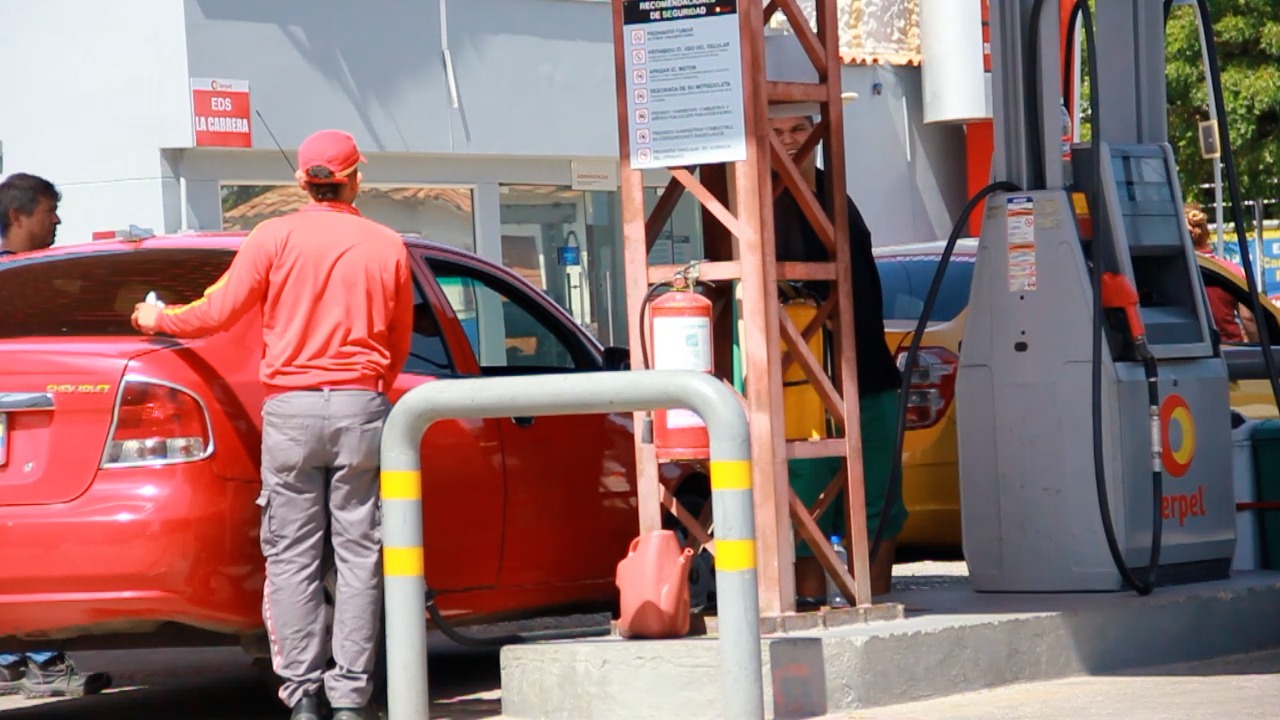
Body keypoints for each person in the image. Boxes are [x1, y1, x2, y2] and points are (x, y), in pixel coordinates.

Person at [132, 130, 413, 720]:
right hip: (362, 405)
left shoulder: (273, 237)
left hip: (289, 410)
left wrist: (156, 316)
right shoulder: (386, 245)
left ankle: (302, 694)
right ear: (356, 177)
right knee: (360, 555)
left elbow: (217, 311)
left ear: (301, 184)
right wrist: (371, 388)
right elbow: (397, 339)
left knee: (292, 556)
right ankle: (352, 698)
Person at [769, 115, 907, 599]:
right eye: (777, 130)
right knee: (807, 497)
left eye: (799, 128)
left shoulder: (835, 194)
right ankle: (811, 601)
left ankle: (873, 596)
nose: (789, 139)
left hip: (867, 370)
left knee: (880, 497)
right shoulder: (757, 204)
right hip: (803, 381)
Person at [0, 172, 112, 699]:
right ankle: (37, 659)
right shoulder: (30, 280)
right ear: (18, 216)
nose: (58, 220)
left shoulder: (47, 276)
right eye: (49, 211)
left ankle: (25, 658)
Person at [1186, 201, 1257, 344]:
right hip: (1230, 350)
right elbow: (1248, 319)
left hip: (1191, 350)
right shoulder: (1232, 272)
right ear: (1206, 233)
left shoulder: (1177, 272)